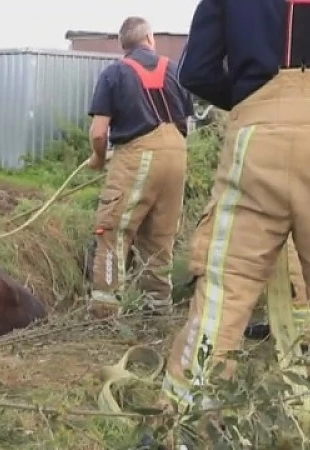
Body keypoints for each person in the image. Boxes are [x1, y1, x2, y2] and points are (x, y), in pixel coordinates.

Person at [153, 0, 310, 447]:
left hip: (253, 141)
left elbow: (196, 71)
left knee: (222, 296)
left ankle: (184, 430)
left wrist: (254, 100)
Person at [85, 16, 194, 317]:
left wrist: (97, 157)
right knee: (161, 236)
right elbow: (186, 119)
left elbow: (98, 133)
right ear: (149, 39)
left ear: (124, 45)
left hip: (137, 155)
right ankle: (158, 309)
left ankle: (105, 313)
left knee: (113, 231)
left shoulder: (115, 72)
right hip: (177, 156)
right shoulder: (175, 69)